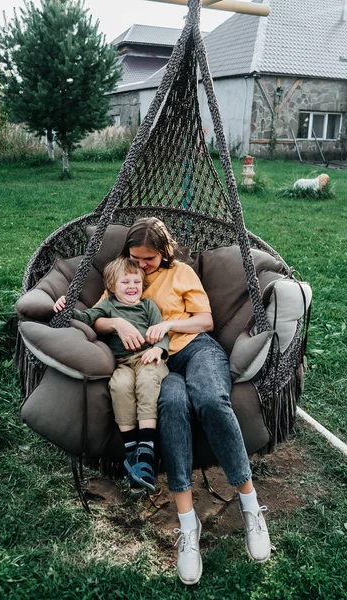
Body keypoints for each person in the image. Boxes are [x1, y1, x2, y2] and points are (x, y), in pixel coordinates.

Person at [92, 217, 271, 586]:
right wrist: (120, 325)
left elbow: (205, 320)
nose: (140, 266)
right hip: (158, 364)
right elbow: (97, 317)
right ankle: (188, 527)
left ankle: (251, 506)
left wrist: (169, 326)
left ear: (164, 253)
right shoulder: (124, 275)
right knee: (172, 408)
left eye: (149, 260)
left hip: (195, 350)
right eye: (135, 257)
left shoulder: (182, 273)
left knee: (209, 399)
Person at [54, 256, 169, 494]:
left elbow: (161, 331)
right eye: (125, 282)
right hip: (122, 363)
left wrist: (159, 349)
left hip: (148, 357)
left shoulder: (148, 306)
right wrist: (66, 306)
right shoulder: (107, 306)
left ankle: (146, 451)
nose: (132, 287)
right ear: (111, 287)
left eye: (136, 281)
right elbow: (85, 318)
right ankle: (132, 452)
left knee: (147, 381)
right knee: (120, 385)